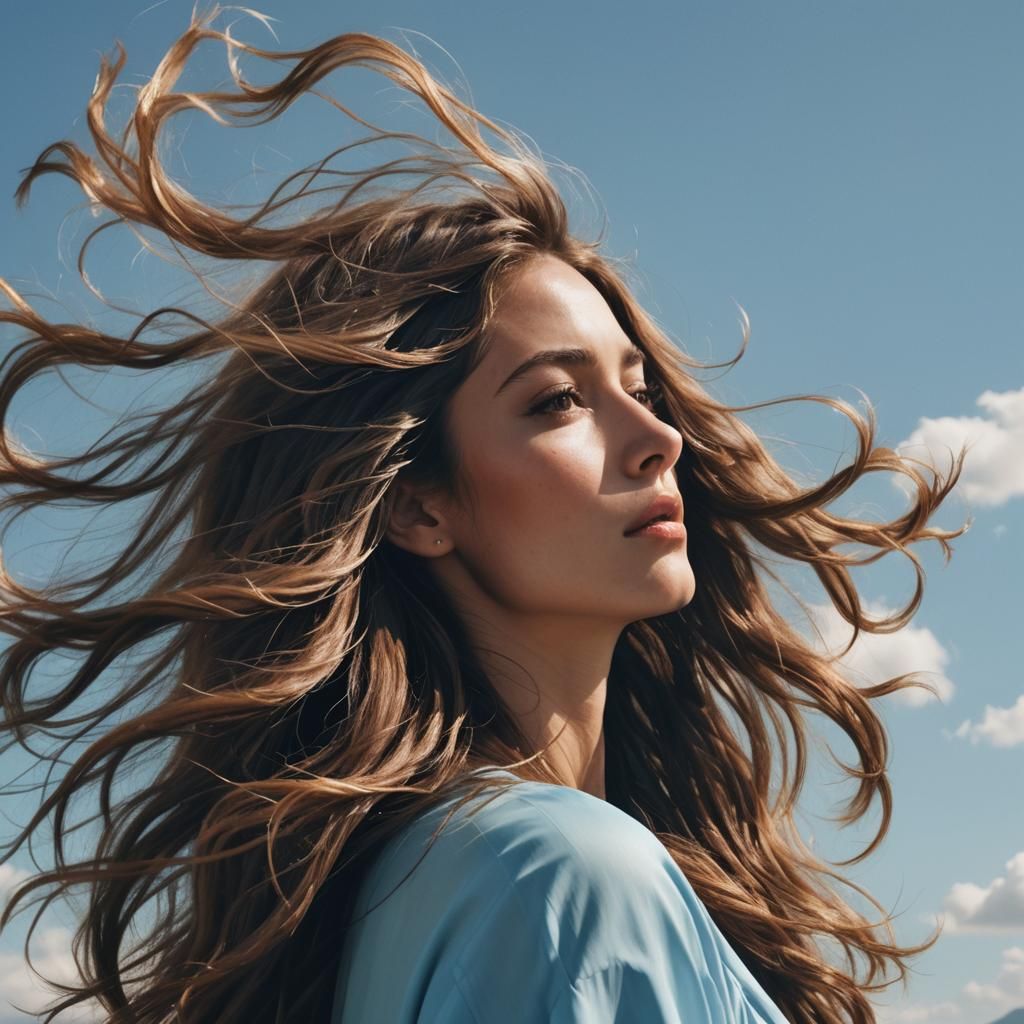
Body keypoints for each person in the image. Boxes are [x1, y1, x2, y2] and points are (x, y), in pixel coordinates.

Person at [0, 7, 967, 1024]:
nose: (657, 436)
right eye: (557, 400)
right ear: (416, 503)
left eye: (640, 387)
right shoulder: (564, 880)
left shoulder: (434, 881)